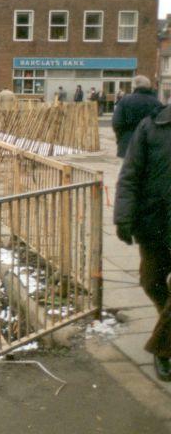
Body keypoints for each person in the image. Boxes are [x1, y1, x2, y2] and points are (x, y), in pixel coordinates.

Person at [114, 100, 171, 381]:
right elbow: (130, 176)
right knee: (151, 281)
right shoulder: (152, 126)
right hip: (156, 223)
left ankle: (163, 348)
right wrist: (123, 217)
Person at [112, 75, 161, 157]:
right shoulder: (157, 103)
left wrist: (121, 139)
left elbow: (117, 123)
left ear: (134, 86)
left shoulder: (125, 101)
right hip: (150, 144)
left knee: (128, 169)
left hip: (128, 143)